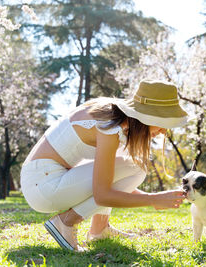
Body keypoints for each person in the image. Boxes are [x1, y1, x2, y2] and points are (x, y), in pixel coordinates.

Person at [20, 80, 188, 251]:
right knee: (136, 168)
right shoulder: (110, 127)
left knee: (129, 166)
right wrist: (153, 200)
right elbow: (103, 195)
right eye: (163, 122)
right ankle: (65, 222)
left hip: (41, 180)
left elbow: (112, 181)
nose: (164, 131)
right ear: (146, 117)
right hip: (44, 185)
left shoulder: (114, 115)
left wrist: (154, 198)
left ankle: (100, 229)